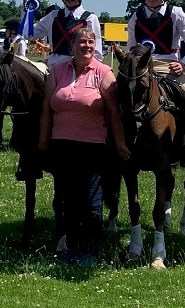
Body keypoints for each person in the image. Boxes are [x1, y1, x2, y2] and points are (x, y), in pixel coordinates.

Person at [39, 27, 130, 268]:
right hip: (62, 146)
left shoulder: (104, 72)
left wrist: (120, 145)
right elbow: (47, 109)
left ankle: (90, 250)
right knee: (68, 200)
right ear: (72, 45)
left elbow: (113, 114)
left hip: (93, 147)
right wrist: (43, 140)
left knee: (90, 203)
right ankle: (71, 246)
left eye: (91, 42)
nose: (87, 46)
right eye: (82, 41)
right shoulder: (57, 71)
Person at [126, 0, 185, 166]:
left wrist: (184, 64)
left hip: (168, 65)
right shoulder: (136, 16)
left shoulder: (176, 13)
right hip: (142, 67)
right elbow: (131, 47)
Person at [23, 0, 103, 71]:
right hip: (54, 70)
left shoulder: (90, 19)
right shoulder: (53, 16)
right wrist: (27, 11)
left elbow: (96, 54)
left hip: (77, 71)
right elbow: (29, 34)